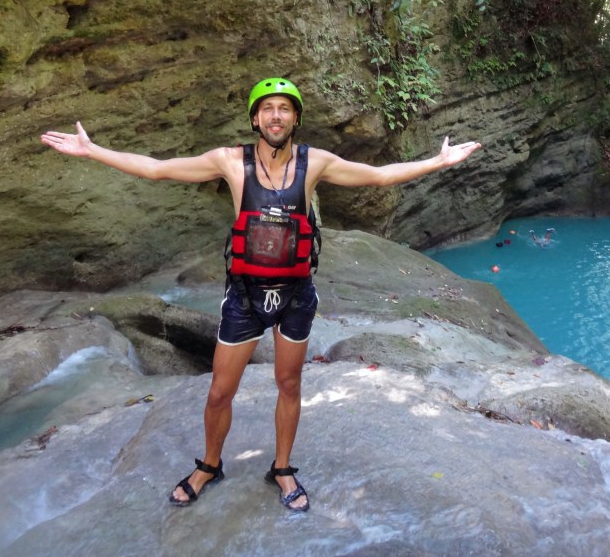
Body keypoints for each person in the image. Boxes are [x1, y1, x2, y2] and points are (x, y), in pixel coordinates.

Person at [39, 77, 480, 513]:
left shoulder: (317, 162)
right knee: (219, 392)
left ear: (295, 118)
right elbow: (157, 168)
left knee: (288, 383)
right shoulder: (231, 162)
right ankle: (209, 465)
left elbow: (379, 177)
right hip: (245, 296)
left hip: (295, 294)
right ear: (255, 118)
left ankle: (283, 467)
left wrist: (436, 163)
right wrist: (93, 150)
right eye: (267, 108)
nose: (276, 115)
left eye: (284, 108)